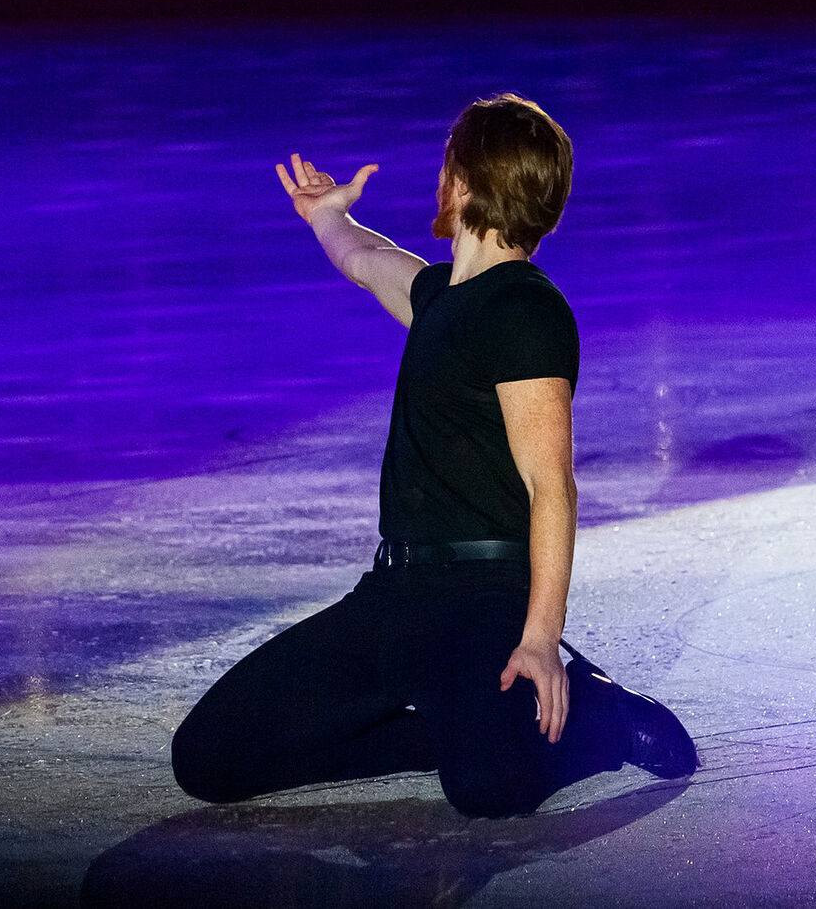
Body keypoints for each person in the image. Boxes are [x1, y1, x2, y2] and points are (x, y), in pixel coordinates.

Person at [169, 94, 695, 817]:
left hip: (483, 600)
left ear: (464, 182)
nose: (438, 179)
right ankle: (444, 737)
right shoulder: (442, 298)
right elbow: (368, 261)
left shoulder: (526, 310)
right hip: (395, 595)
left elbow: (551, 486)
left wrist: (541, 638)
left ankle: (601, 716)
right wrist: (327, 215)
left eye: (447, 165)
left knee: (486, 789)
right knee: (209, 757)